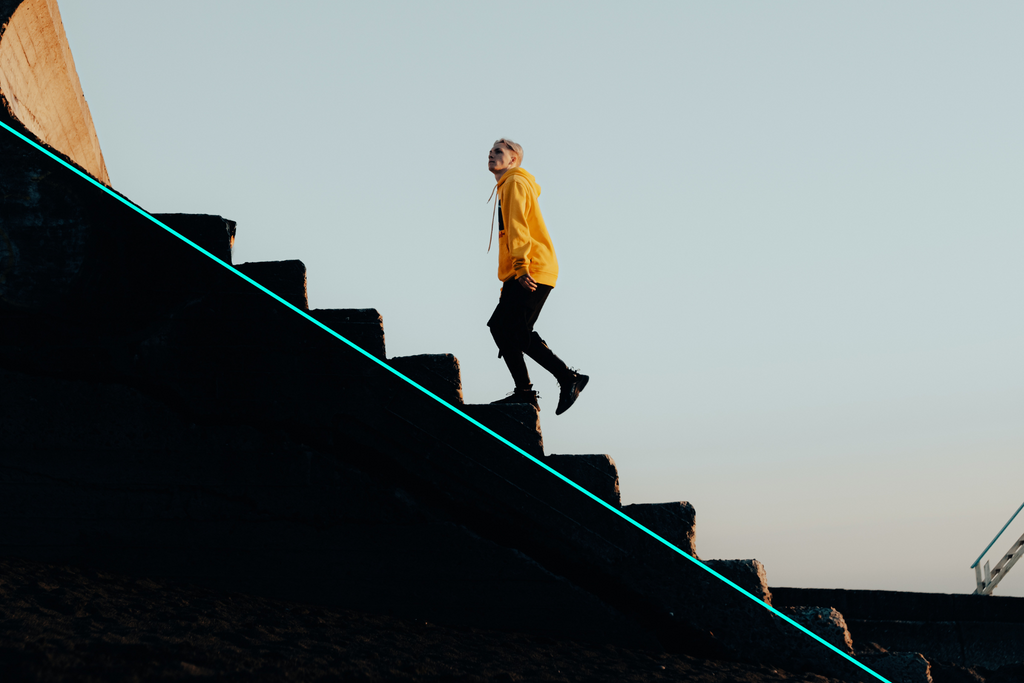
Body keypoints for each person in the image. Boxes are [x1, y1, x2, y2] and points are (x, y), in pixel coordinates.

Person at [485, 138, 588, 415]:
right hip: (524, 270)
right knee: (503, 328)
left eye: (499, 151)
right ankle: (530, 390)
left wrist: (520, 267)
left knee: (512, 330)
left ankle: (565, 380)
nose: (491, 154)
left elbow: (518, 227)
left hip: (532, 268)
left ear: (513, 160)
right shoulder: (508, 185)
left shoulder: (515, 183)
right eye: (490, 151)